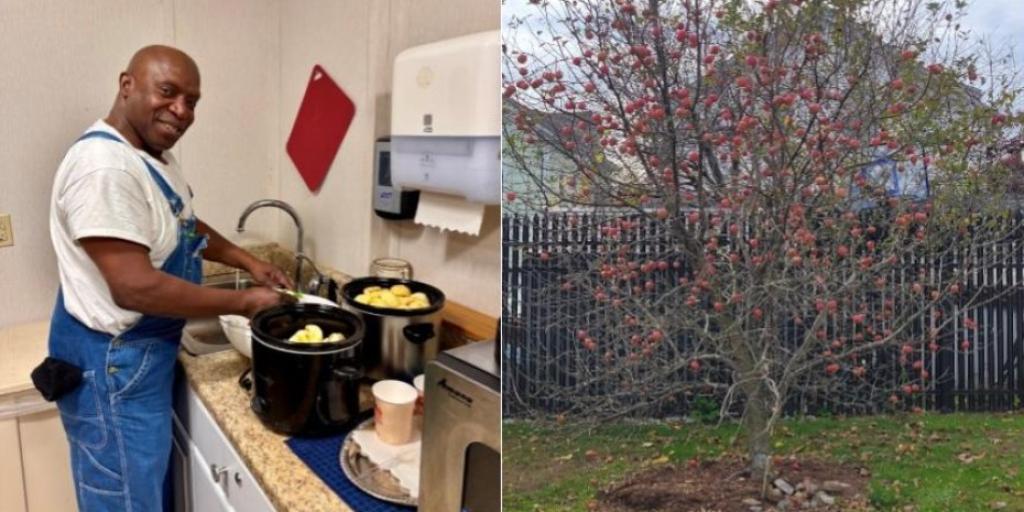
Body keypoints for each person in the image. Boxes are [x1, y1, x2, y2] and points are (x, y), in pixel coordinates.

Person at [46, 45, 289, 511]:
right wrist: (243, 303)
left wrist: (245, 260)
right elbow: (134, 286)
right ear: (126, 85)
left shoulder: (150, 157)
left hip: (138, 359)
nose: (181, 110)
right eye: (168, 92)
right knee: (123, 503)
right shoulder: (104, 168)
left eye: (192, 101)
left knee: (142, 496)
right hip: (111, 367)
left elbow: (184, 224)